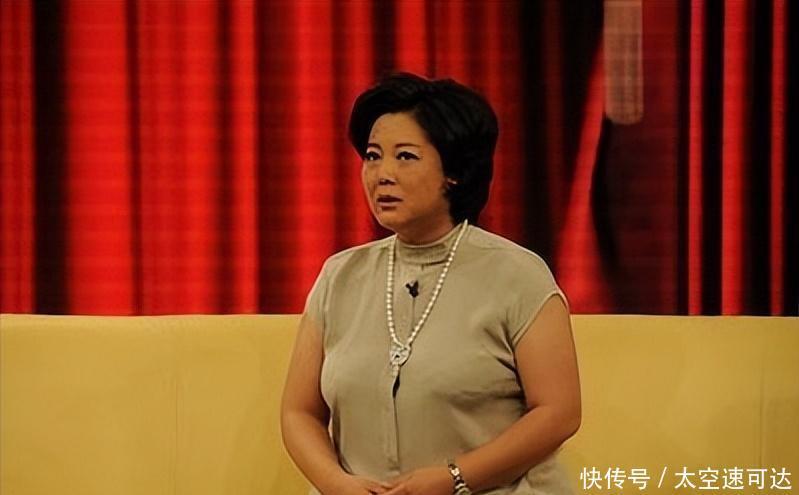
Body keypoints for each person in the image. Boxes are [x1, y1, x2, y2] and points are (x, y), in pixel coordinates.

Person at [281, 72, 581, 495]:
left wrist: (454, 478)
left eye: (405, 156)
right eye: (372, 156)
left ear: (453, 172)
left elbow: (559, 412)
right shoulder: (339, 276)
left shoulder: (517, 275)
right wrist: (335, 484)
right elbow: (299, 412)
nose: (381, 174)